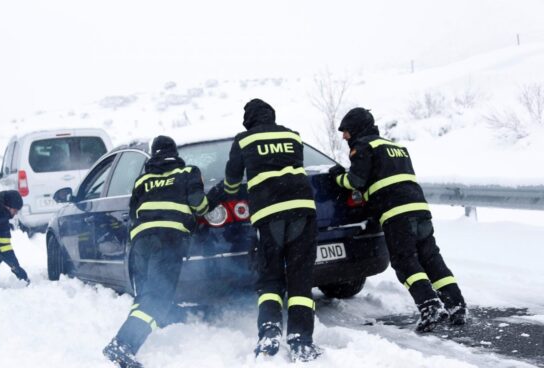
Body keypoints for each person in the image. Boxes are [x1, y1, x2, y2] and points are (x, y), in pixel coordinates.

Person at [330, 107, 467, 332]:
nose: (344, 136)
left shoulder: (363, 146)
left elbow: (356, 181)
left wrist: (337, 176)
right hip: (420, 210)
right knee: (431, 259)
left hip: (396, 214)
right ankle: (456, 305)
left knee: (405, 261)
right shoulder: (395, 147)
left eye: (346, 131)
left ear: (356, 129)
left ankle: (429, 306)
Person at [210, 99, 321, 362]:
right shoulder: (292, 136)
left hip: (269, 215)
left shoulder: (244, 140)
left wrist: (216, 196)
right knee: (300, 277)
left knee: (270, 278)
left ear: (248, 120)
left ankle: (269, 332)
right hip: (303, 212)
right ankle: (301, 339)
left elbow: (232, 183)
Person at [103, 135, 210, 368]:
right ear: (175, 152)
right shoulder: (187, 172)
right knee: (158, 296)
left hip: (141, 243)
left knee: (147, 293)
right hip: (168, 239)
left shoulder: (143, 180)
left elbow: (133, 213)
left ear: (154, 155)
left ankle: (147, 327)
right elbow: (199, 205)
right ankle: (123, 344)